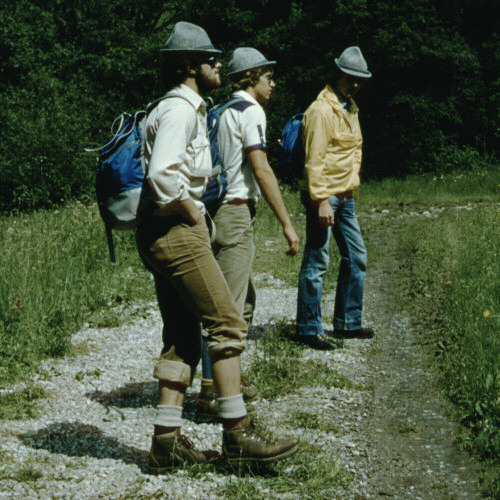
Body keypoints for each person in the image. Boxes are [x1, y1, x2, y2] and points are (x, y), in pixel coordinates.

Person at [136, 22, 298, 471]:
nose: (219, 65)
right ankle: (237, 435)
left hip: (156, 231)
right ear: (189, 66)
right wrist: (189, 211)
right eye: (210, 59)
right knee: (227, 322)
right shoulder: (182, 110)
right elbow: (162, 174)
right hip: (175, 230)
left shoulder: (170, 107)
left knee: (183, 336)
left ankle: (166, 442)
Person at [196, 47, 300, 419]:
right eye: (268, 77)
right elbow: (261, 169)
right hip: (235, 213)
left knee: (244, 299)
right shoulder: (252, 112)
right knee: (228, 308)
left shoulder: (223, 110)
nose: (273, 84)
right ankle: (212, 394)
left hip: (215, 210)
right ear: (252, 77)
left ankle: (228, 379)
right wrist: (287, 223)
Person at [295, 46, 375, 350]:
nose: (355, 84)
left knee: (357, 257)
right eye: (350, 77)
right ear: (338, 74)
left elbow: (355, 150)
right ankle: (308, 328)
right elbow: (313, 161)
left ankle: (347, 323)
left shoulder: (350, 108)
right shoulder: (321, 110)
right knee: (317, 260)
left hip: (345, 195)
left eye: (360, 79)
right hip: (323, 195)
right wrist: (321, 200)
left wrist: (349, 188)